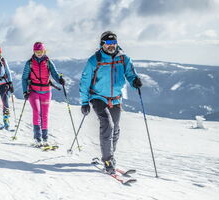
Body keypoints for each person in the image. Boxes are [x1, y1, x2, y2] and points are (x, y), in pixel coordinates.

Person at [79, 31, 142, 174]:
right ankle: (107, 159)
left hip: (116, 98)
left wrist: (135, 81)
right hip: (98, 97)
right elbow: (85, 82)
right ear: (102, 44)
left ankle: (111, 156)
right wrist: (84, 102)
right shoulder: (95, 60)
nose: (111, 46)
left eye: (114, 43)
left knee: (116, 129)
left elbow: (130, 74)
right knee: (108, 125)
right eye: (108, 43)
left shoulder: (123, 58)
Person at [22, 42, 65, 147]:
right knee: (37, 112)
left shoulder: (48, 62)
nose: (39, 53)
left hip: (46, 91)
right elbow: (24, 78)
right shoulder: (29, 63)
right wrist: (25, 91)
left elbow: (54, 73)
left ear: (44, 51)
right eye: (37, 51)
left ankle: (45, 138)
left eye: (40, 51)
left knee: (44, 114)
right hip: (34, 91)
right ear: (34, 51)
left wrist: (60, 80)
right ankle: (37, 138)